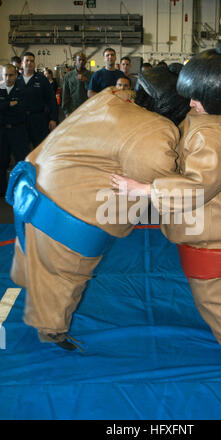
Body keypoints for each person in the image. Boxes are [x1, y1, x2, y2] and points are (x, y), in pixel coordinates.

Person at [111, 42, 221, 380]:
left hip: (219, 234)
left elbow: (195, 189)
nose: (190, 103)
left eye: (196, 97)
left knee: (219, 296)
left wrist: (145, 189)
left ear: (218, 96)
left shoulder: (216, 138)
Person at [7, 66, 190, 351]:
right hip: (65, 211)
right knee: (65, 275)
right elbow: (159, 175)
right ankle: (50, 330)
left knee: (37, 257)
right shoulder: (156, 129)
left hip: (32, 184)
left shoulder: (114, 96)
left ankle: (31, 287)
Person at [15, 52, 57, 148]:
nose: (29, 63)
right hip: (20, 121)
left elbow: (51, 100)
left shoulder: (42, 79)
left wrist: (53, 119)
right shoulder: (16, 80)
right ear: (22, 63)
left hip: (38, 120)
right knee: (22, 149)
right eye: (27, 61)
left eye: (32, 61)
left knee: (39, 149)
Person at [0, 64, 30, 196]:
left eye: (11, 75)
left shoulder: (22, 91)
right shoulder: (0, 90)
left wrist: (3, 107)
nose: (8, 78)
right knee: (1, 162)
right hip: (2, 132)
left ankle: (21, 191)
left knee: (21, 161)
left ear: (16, 75)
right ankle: (2, 191)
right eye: (5, 75)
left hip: (18, 131)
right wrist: (9, 104)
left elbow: (20, 111)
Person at [62, 53, 92, 117]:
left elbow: (93, 93)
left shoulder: (91, 75)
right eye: (79, 60)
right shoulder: (69, 76)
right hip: (73, 110)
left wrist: (86, 81)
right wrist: (66, 111)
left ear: (86, 61)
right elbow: (65, 94)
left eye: (83, 60)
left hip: (87, 110)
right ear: (75, 61)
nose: (81, 62)